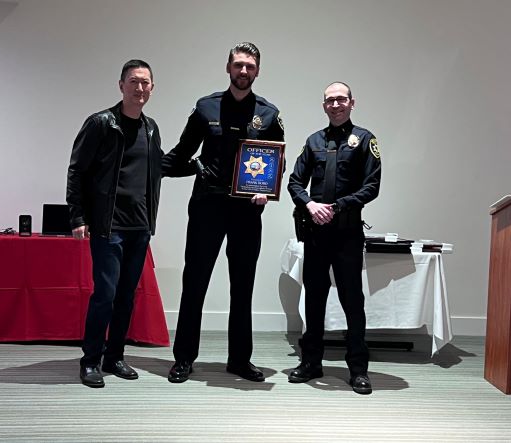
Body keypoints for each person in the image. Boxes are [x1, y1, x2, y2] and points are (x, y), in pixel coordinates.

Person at [162, 42, 284, 383]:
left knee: (242, 287)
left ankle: (240, 361)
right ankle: (184, 358)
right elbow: (181, 152)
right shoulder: (205, 107)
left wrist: (266, 190)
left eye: (249, 66)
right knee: (195, 283)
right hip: (207, 207)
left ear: (258, 71)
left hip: (247, 213)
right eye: (238, 65)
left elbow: (277, 163)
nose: (243, 71)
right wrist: (147, 167)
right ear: (228, 68)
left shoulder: (270, 114)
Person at [66, 59, 163, 388]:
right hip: (109, 227)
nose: (139, 88)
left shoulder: (151, 128)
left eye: (145, 83)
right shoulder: (101, 123)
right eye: (133, 81)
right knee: (105, 294)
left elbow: (156, 169)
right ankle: (90, 359)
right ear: (121, 85)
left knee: (126, 297)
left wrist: (199, 166)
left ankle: (115, 356)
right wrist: (77, 216)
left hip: (139, 228)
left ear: (152, 88)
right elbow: (77, 170)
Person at [287, 81, 381, 395]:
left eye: (341, 99)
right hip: (316, 234)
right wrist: (310, 204)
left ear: (352, 102)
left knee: (352, 301)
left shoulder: (365, 140)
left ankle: (358, 369)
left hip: (347, 234)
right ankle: (311, 362)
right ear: (324, 105)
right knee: (313, 300)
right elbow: (295, 181)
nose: (336, 104)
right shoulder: (313, 141)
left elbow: (372, 186)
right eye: (330, 100)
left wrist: (338, 206)